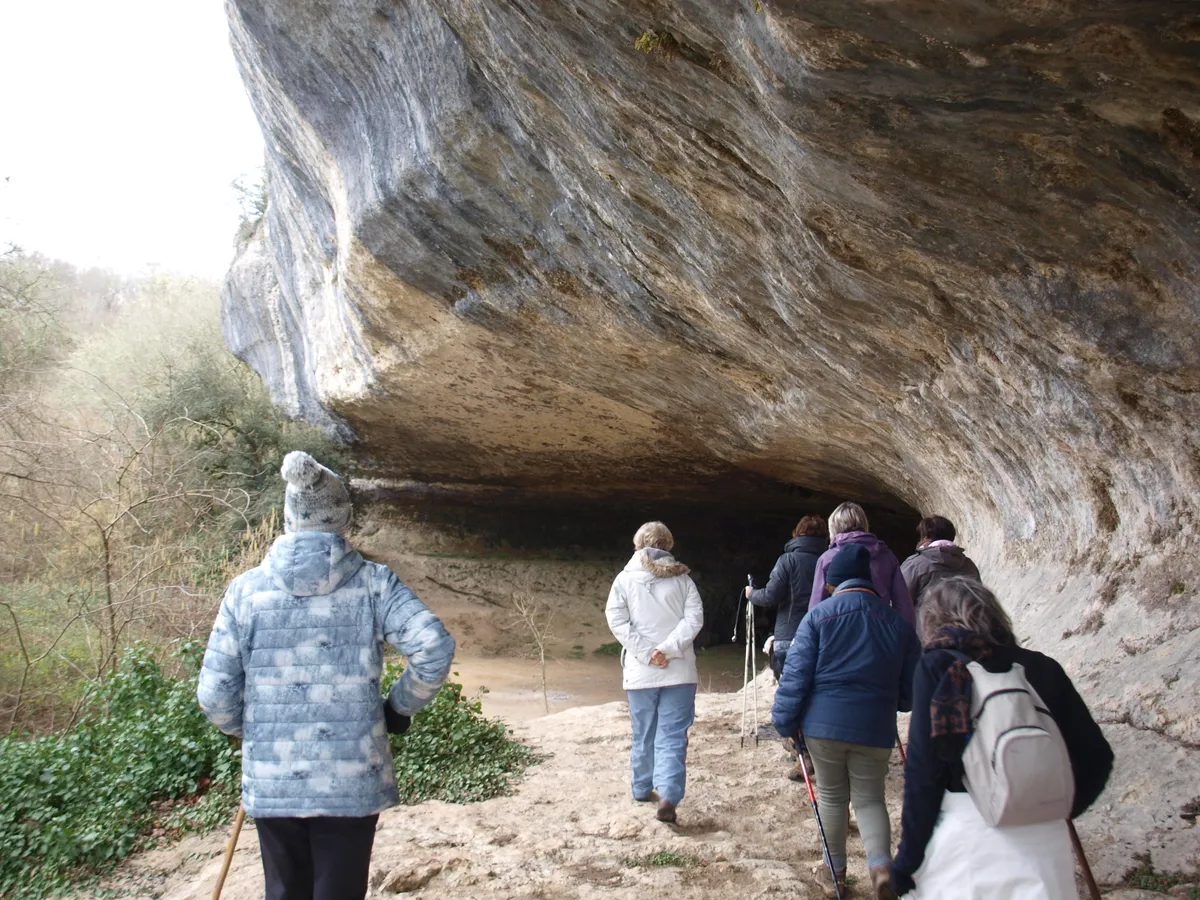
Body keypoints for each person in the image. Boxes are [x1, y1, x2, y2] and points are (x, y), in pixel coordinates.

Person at [197, 451, 456, 900]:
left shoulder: (245, 590)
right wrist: (397, 708)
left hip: (273, 777)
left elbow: (214, 694)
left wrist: (249, 729)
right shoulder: (375, 584)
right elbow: (433, 647)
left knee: (284, 891)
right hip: (350, 780)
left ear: (288, 517)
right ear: (343, 518)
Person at [889, 577, 1114, 899]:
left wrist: (906, 862)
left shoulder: (939, 666)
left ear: (933, 621)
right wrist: (1053, 807)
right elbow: (1097, 757)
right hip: (1046, 843)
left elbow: (925, 775)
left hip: (970, 836)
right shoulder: (1042, 667)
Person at [773, 544, 921, 900]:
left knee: (832, 797)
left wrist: (784, 723)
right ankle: (882, 868)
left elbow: (796, 677)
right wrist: (895, 703)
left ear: (832, 583)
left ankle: (834, 872)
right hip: (875, 726)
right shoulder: (897, 624)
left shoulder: (818, 617)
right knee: (870, 799)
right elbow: (911, 686)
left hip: (822, 727)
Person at [605, 521, 704, 824]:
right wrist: (669, 650)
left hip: (641, 672)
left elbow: (618, 622)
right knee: (673, 735)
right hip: (679, 672)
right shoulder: (684, 580)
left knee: (643, 731)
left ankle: (640, 787)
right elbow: (695, 619)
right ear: (669, 546)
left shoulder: (624, 580)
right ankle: (669, 796)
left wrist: (648, 653)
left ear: (637, 545)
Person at [744, 514, 828, 781]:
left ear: (796, 534)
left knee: (793, 696)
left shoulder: (788, 560)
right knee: (819, 695)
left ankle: (802, 753)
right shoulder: (830, 559)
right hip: (823, 637)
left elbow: (770, 595)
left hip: (789, 638)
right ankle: (819, 751)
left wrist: (750, 594)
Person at [810, 501, 914, 625]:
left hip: (839, 629)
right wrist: (907, 635)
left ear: (833, 526)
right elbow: (902, 602)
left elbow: (817, 603)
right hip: (879, 626)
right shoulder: (886, 556)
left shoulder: (827, 558)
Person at [900, 516, 981, 609]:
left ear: (926, 538)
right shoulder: (968, 564)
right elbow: (979, 598)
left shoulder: (915, 565)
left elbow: (900, 600)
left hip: (928, 622)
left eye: (921, 538)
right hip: (964, 621)